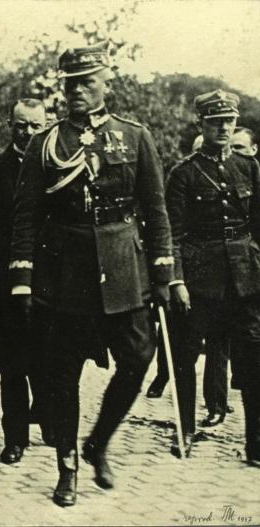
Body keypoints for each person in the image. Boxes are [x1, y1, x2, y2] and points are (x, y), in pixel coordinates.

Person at [9, 42, 174, 507]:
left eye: (87, 82)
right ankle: (67, 468)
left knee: (138, 358)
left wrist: (163, 272)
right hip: (64, 273)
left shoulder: (135, 137)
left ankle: (98, 443)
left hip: (123, 268)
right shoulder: (45, 143)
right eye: (70, 84)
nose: (78, 91)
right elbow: (26, 216)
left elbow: (156, 210)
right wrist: (22, 277)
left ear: (106, 84)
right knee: (62, 375)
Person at [165, 89, 260, 465]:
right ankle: (185, 431)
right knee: (186, 356)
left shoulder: (249, 167)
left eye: (229, 122)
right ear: (201, 124)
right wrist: (176, 280)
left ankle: (256, 441)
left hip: (244, 281)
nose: (223, 128)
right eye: (215, 122)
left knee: (253, 357)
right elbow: (172, 233)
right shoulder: (183, 173)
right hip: (199, 282)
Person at [0, 98, 54, 465]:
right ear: (9, 126)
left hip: (49, 284)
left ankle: (48, 417)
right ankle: (15, 437)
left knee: (49, 359)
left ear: (46, 126)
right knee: (12, 366)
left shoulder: (57, 168)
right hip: (4, 286)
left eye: (35, 126)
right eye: (21, 125)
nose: (28, 133)